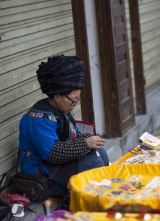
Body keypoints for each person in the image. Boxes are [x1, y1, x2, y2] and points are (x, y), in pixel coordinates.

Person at [18, 54, 109, 199]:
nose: (75, 104)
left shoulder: (61, 112)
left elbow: (74, 136)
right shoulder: (38, 119)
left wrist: (89, 140)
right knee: (93, 163)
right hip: (39, 174)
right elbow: (53, 154)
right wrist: (85, 143)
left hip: (54, 166)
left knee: (100, 153)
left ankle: (98, 198)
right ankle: (80, 204)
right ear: (58, 96)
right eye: (73, 100)